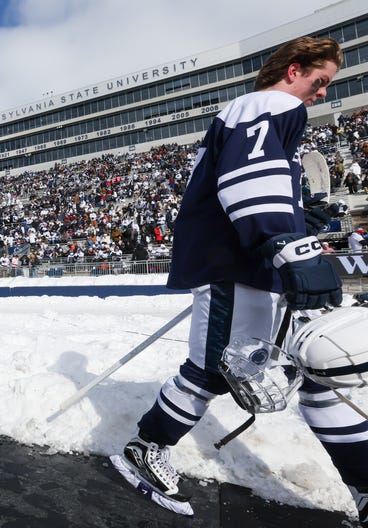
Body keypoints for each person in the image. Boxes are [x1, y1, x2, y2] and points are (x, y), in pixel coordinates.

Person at [116, 36, 368, 524]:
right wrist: (286, 240)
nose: (320, 94)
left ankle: (363, 485)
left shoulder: (253, 111)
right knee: (217, 368)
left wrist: (295, 217)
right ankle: (145, 448)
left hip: (247, 261)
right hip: (236, 264)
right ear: (294, 70)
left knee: (317, 370)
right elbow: (246, 178)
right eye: (320, 82)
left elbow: (241, 179)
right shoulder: (269, 103)